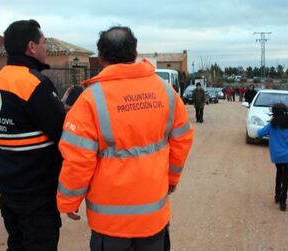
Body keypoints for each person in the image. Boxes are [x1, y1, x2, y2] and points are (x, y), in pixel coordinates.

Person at [57, 26, 194, 251]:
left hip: (110, 225)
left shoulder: (90, 100)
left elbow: (78, 158)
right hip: (153, 218)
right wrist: (171, 179)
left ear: (100, 58)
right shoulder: (165, 91)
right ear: (135, 53)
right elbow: (182, 138)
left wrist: (69, 200)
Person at [0, 20, 66, 250]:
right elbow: (61, 131)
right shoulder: (34, 83)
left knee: (17, 243)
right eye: (43, 42)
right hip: (36, 191)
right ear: (31, 46)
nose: (46, 47)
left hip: (9, 187)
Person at [258, 103, 288, 211]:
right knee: (286, 177)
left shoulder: (272, 125)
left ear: (274, 113)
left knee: (279, 172)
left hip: (276, 155)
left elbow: (260, 133)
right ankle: (283, 202)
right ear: (285, 112)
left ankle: (277, 195)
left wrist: (268, 134)